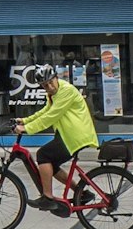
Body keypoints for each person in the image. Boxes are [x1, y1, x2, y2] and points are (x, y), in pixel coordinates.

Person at [14, 64, 97, 214]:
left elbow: (51, 117)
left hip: (75, 136)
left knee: (43, 155)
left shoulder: (66, 91)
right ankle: (82, 193)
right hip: (68, 134)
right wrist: (25, 120)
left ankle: (47, 197)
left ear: (56, 78)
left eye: (51, 82)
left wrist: (27, 129)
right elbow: (46, 111)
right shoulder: (53, 94)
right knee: (50, 164)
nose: (50, 87)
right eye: (45, 85)